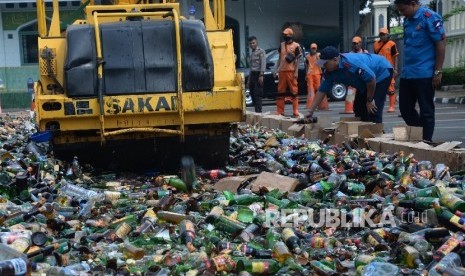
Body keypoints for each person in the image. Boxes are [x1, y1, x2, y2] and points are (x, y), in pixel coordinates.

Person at [395, 0, 446, 143]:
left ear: (412, 4)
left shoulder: (430, 17)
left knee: (426, 110)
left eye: (403, 9)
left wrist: (438, 71)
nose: (402, 13)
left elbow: (440, 43)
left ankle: (426, 141)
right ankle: (419, 135)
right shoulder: (407, 20)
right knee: (405, 108)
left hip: (425, 73)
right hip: (408, 73)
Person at [306, 46, 393, 123]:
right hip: (365, 82)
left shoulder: (350, 63)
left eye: (325, 63)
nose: (323, 66)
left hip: (381, 72)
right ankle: (364, 135)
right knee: (359, 109)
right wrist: (311, 111)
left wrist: (370, 100)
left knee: (373, 109)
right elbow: (322, 91)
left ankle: (376, 134)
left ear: (335, 59)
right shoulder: (329, 72)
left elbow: (371, 78)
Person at [273, 28, 302, 117]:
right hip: (282, 71)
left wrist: (296, 71)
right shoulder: (281, 45)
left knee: (294, 91)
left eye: (286, 35)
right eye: (284, 35)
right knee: (280, 92)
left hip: (291, 71)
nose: (284, 36)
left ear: (290, 35)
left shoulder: (296, 46)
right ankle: (280, 111)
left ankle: (295, 111)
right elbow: (279, 58)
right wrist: (276, 69)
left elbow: (298, 59)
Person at [374, 27, 399, 113]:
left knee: (391, 88)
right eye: (381, 35)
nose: (382, 36)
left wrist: (395, 69)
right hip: (379, 69)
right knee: (379, 87)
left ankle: (392, 106)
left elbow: (395, 57)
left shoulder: (392, 44)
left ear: (387, 35)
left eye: (384, 34)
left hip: (389, 69)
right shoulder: (376, 44)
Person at [305, 43, 328, 111]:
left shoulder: (318, 55)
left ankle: (321, 105)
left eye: (314, 48)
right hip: (310, 74)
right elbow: (307, 66)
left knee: (318, 88)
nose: (313, 50)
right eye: (312, 48)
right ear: (310, 49)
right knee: (310, 89)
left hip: (317, 74)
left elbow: (322, 64)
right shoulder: (307, 57)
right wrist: (306, 74)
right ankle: (311, 105)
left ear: (316, 49)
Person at [246, 36, 266, 113]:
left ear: (257, 43)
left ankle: (259, 112)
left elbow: (263, 63)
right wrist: (248, 80)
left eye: (253, 43)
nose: (252, 45)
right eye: (250, 43)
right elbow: (251, 68)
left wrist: (261, 75)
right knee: (252, 94)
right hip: (253, 75)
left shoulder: (261, 51)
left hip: (259, 75)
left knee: (258, 95)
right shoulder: (252, 53)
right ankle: (256, 111)